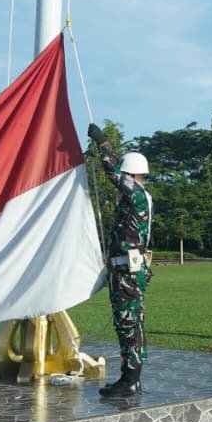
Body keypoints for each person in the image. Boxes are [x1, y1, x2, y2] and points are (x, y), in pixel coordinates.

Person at [87, 123, 154, 398]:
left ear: (132, 175)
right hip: (123, 271)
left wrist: (102, 143)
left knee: (129, 324)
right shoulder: (134, 199)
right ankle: (129, 378)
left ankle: (130, 381)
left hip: (128, 271)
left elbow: (113, 173)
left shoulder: (137, 195)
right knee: (127, 323)